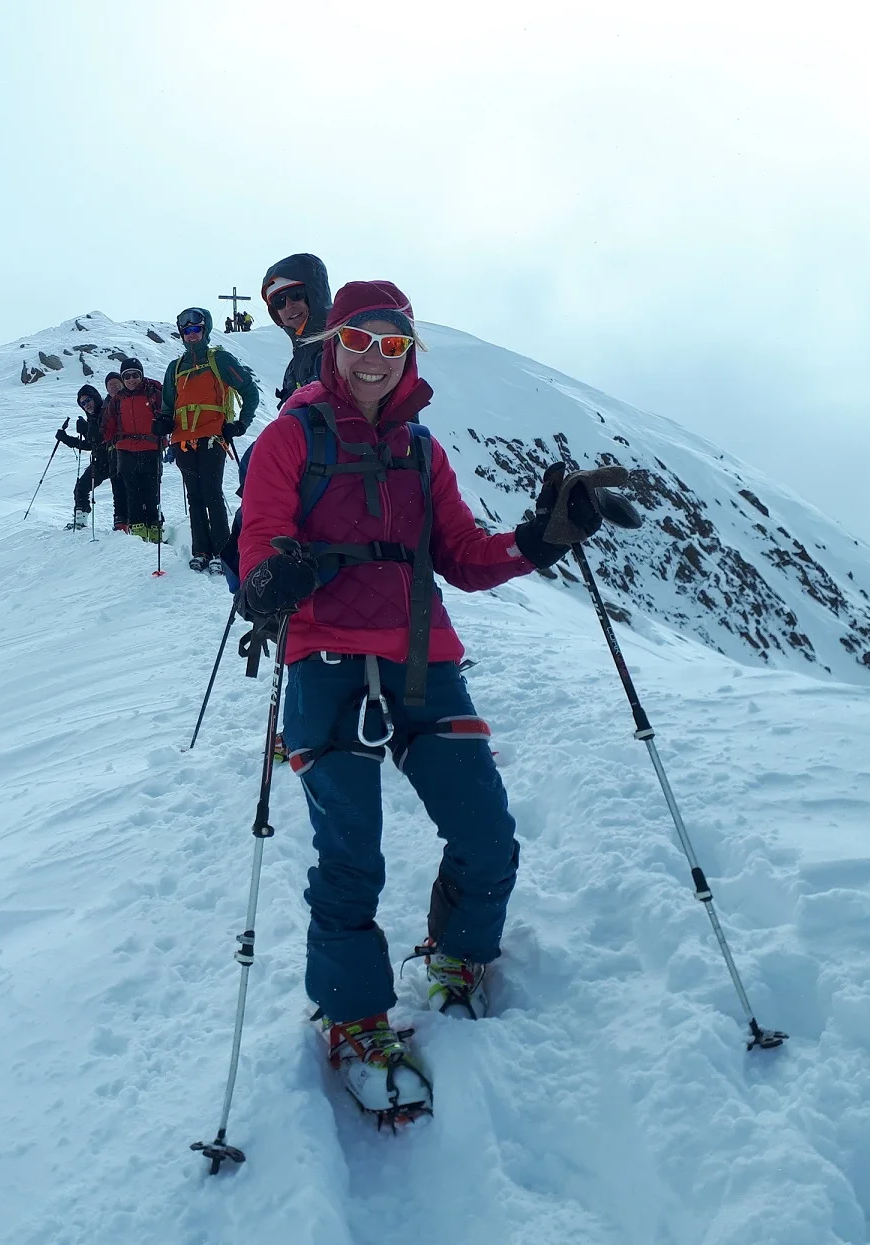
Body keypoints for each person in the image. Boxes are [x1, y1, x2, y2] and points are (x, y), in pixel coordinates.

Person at [237, 279, 605, 1118]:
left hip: (421, 662)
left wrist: (538, 538)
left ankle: (456, 954)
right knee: (351, 856)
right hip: (326, 663)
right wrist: (269, 577)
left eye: (391, 345)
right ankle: (354, 1017)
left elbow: (463, 554)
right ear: (331, 344)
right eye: (359, 342)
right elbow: (259, 536)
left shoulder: (420, 449)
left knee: (485, 831)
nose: (373, 359)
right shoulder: (288, 436)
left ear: (407, 356)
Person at [156, 307, 260, 571]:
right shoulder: (175, 368)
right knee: (195, 496)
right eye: (186, 330)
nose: (191, 335)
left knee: (211, 493)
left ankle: (222, 552)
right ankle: (201, 550)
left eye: (196, 329)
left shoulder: (219, 360)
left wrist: (240, 424)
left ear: (205, 330)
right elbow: (169, 404)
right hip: (182, 440)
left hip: (212, 435)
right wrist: (165, 421)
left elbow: (249, 390)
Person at [101, 358, 165, 540]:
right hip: (125, 450)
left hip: (150, 448)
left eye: (135, 375)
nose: (131, 379)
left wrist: (164, 427)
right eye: (127, 376)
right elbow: (108, 423)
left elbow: (167, 413)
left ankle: (153, 527)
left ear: (141, 375)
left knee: (151, 489)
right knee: (133, 491)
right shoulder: (118, 399)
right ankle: (138, 529)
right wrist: (100, 438)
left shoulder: (153, 392)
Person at [261, 253, 333, 407]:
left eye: (296, 294)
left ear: (315, 294)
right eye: (278, 301)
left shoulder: (344, 347)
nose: (288, 306)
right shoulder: (295, 367)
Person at [57, 385, 122, 529]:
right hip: (101, 462)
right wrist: (67, 439)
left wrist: (85, 431)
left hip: (115, 459)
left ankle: (125, 523)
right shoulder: (92, 417)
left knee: (120, 493)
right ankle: (80, 520)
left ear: (96, 398)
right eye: (83, 403)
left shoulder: (106, 412)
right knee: (81, 487)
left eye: (88, 400)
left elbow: (101, 437)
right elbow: (90, 443)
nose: (86, 405)